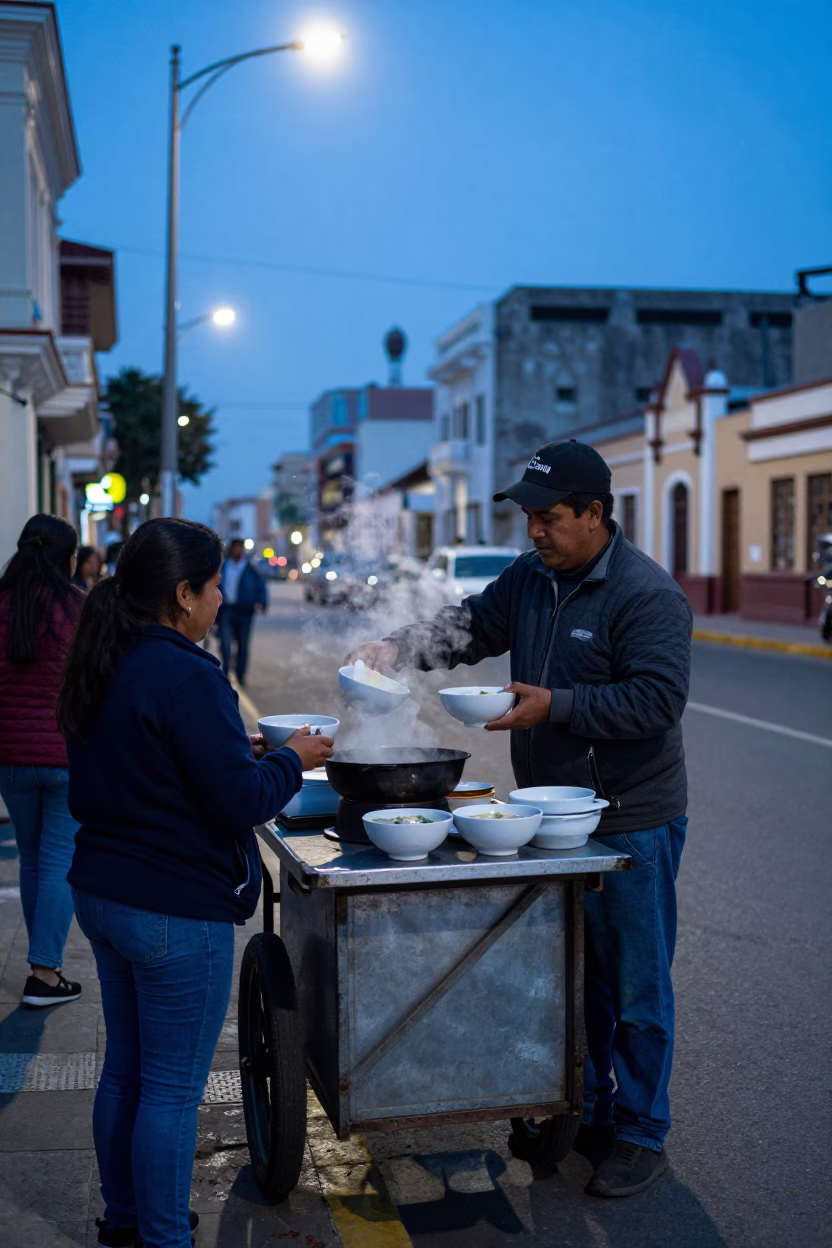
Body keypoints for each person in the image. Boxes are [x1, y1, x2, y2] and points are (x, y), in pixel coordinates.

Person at [347, 440, 692, 1199]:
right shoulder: (532, 579)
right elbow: (471, 626)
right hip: (550, 815)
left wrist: (553, 706)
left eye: (550, 518)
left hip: (631, 818)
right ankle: (590, 1108)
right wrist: (395, 649)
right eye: (529, 518)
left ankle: (641, 1132)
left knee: (634, 985)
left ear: (595, 514)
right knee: (576, 979)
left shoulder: (646, 595)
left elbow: (656, 703)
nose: (534, 532)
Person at [58, 517, 334, 1248]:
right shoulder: (187, 672)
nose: (219, 601)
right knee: (173, 1091)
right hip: (173, 907)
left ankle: (125, 1222)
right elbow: (242, 802)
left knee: (125, 1072)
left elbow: (147, 756)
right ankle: (162, 1237)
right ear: (183, 595)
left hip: (102, 892)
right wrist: (293, 759)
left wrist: (231, 748)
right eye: (212, 588)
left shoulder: (107, 653)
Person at [0, 514, 83, 1007]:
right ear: (67, 558)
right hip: (63, 755)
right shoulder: (74, 608)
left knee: (32, 858)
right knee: (58, 861)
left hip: (10, 757)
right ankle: (45, 974)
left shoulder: (3, 605)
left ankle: (42, 964)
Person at [218, 538, 267, 686]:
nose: (239, 551)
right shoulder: (224, 567)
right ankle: (226, 672)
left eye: (241, 548)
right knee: (225, 644)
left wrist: (262, 603)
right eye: (236, 548)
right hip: (226, 610)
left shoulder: (250, 568)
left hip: (245, 612)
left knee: (243, 645)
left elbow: (261, 586)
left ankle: (240, 675)